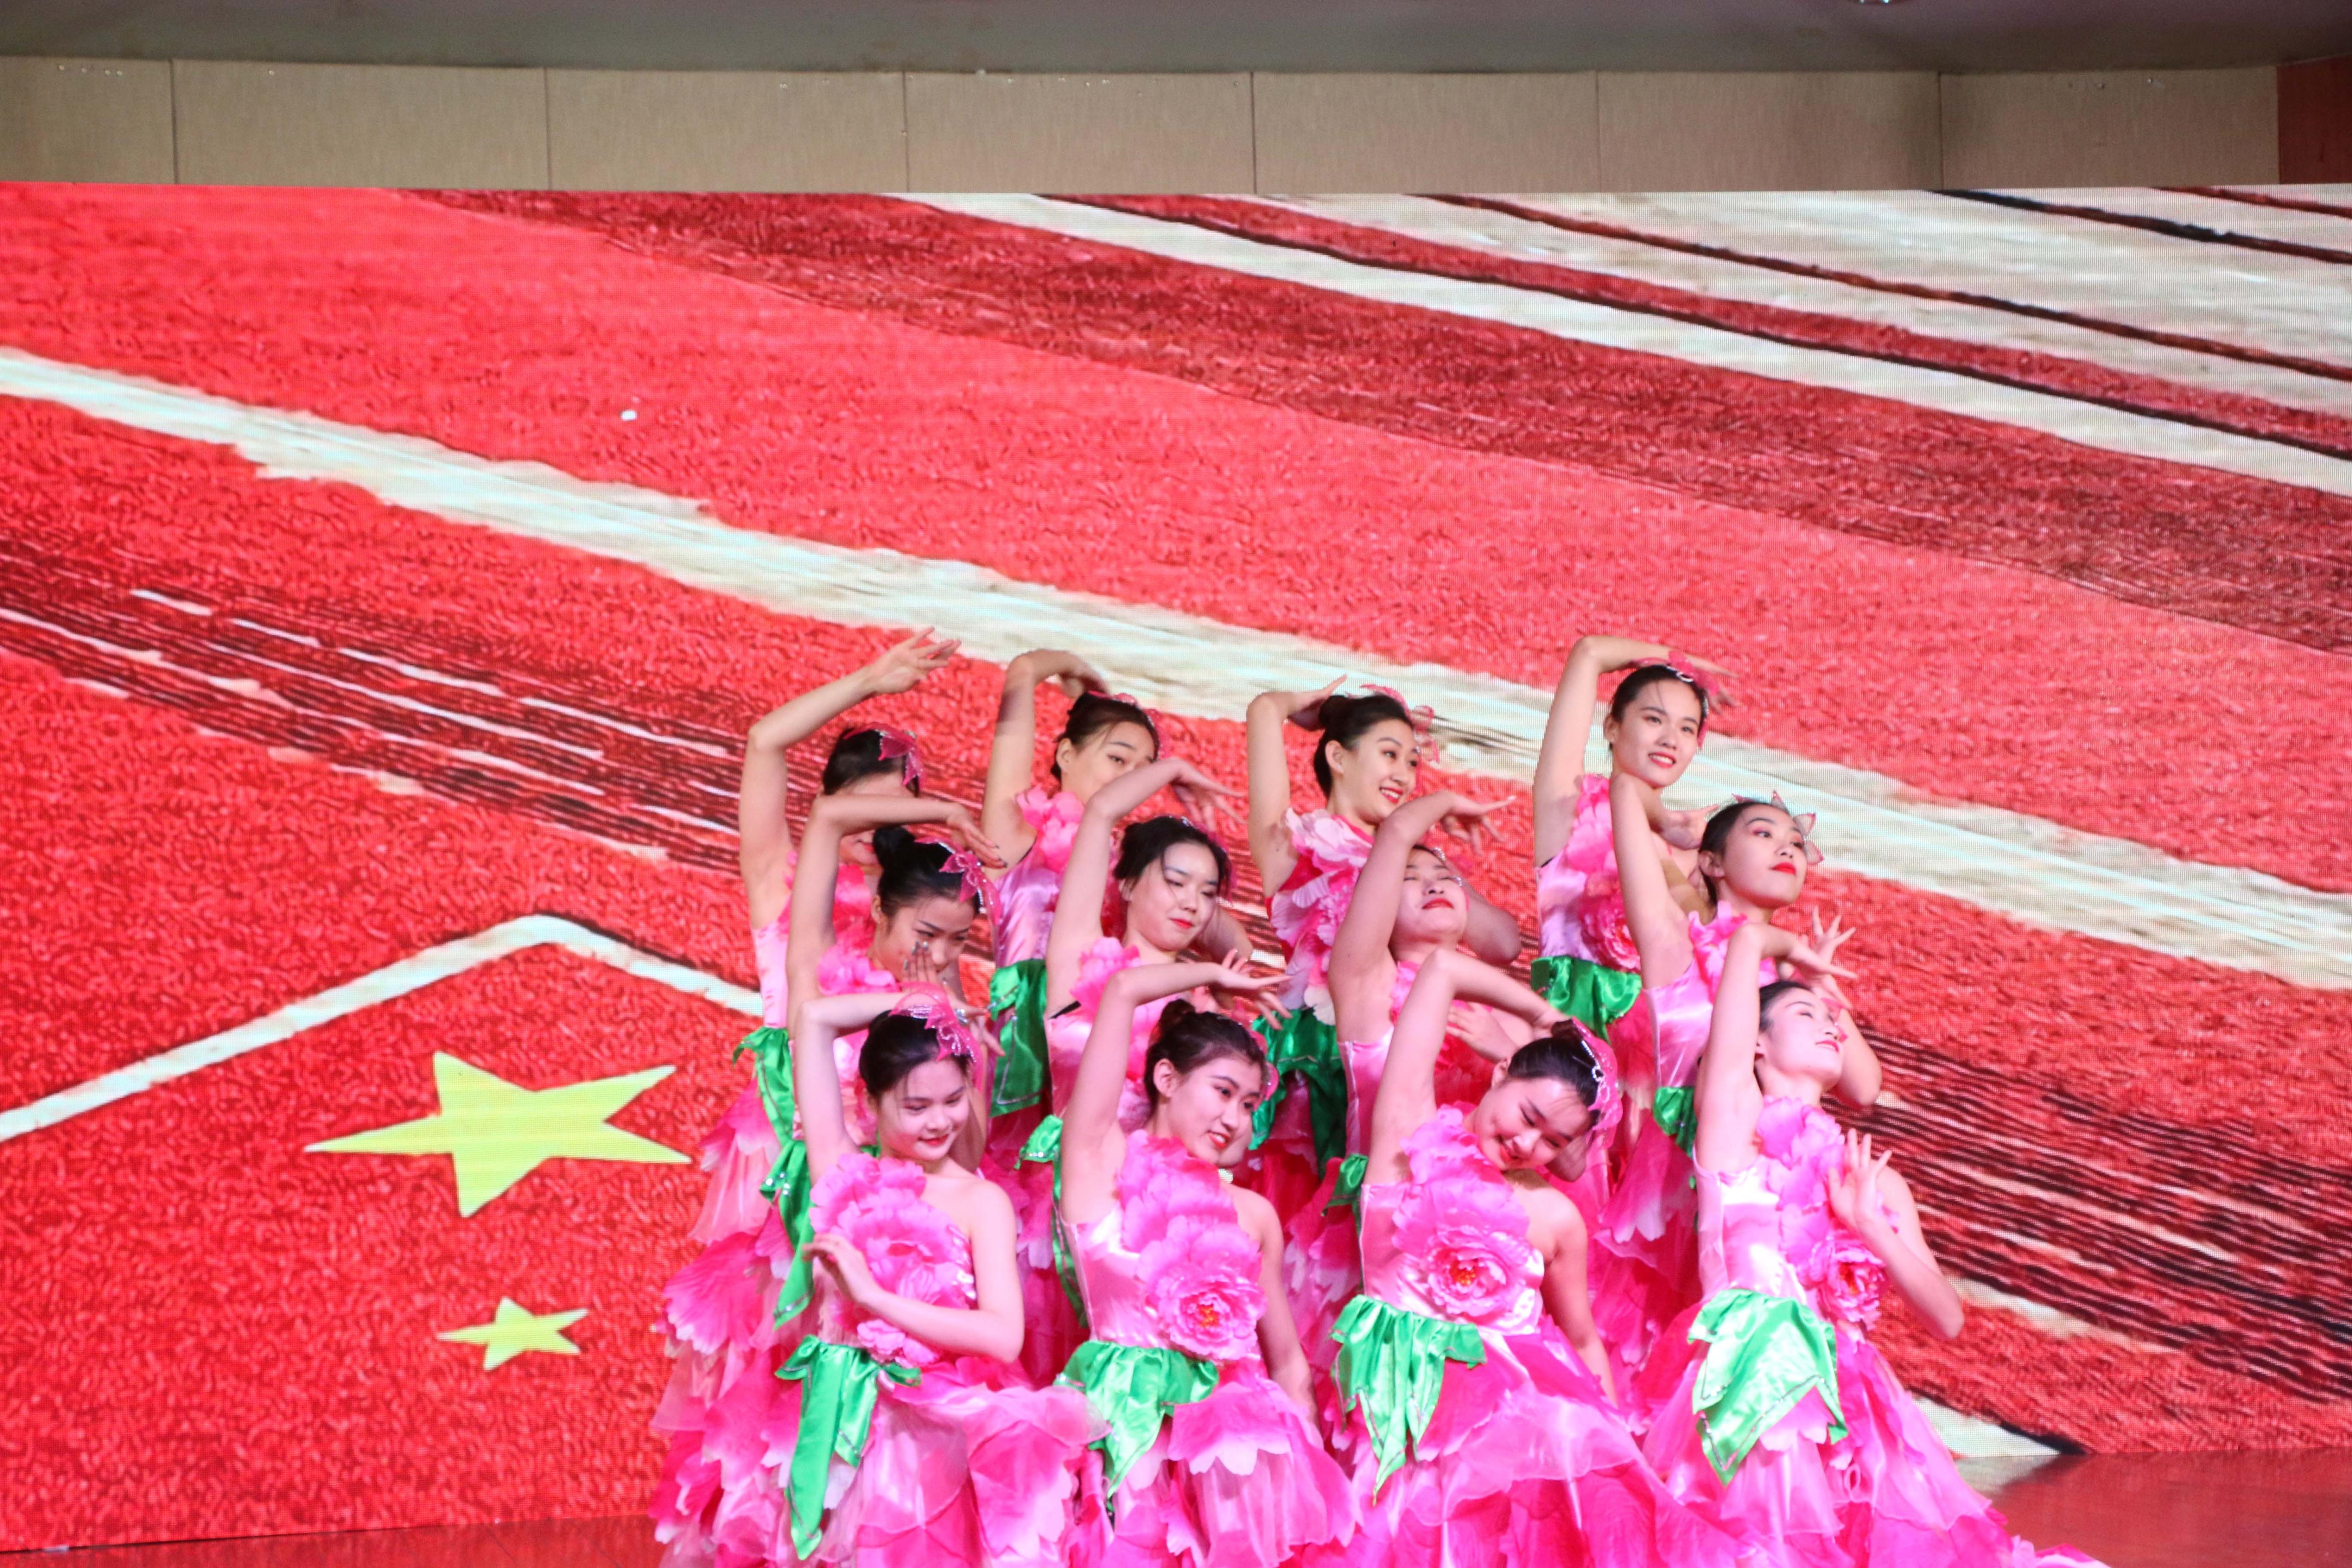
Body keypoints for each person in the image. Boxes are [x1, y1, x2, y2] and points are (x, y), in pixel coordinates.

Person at [1644, 925, 2105, 1568]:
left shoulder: (1874, 1177)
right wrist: (1795, 955)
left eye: (1831, 1020)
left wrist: (1869, 1225)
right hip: (1753, 1391)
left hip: (1855, 1406)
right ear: (1754, 1040)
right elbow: (1745, 943)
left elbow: (1946, 1319)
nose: (1828, 1027)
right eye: (1804, 1013)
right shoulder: (1734, 1131)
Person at [651, 637, 956, 1565]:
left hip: (880, 1176)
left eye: (899, 803)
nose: (879, 820)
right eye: (870, 800)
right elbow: (762, 744)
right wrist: (868, 681)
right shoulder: (786, 897)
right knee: (766, 1361)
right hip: (784, 1168)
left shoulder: (910, 928)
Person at [1323, 950, 1743, 1568]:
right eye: (1528, 1116)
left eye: (1553, 1141)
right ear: (1500, 1074)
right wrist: (1543, 1014)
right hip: (1389, 1422)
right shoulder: (1405, 1144)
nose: (1527, 1143)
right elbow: (1440, 970)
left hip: (1506, 1451)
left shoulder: (1554, 1217)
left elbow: (1583, 1338)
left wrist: (1618, 1451)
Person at [749, 987, 1099, 1567]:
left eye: (954, 1099)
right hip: (839, 1428)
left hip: (934, 1440)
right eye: (915, 1107)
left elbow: (1002, 1336)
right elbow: (813, 1017)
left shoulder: (980, 1200)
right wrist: (931, 1004)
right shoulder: (843, 1169)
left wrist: (874, 1299)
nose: (940, 1121)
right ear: (869, 1100)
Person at [1057, 960, 1358, 1568]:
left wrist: (1305, 1467)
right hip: (1123, 1435)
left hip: (1232, 1455)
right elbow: (1121, 990)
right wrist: (1214, 974)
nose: (1234, 1119)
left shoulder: (1252, 1213)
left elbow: (1286, 1360)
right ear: (1165, 1077)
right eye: (1222, 1092)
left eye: (1248, 1104)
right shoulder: (1098, 1167)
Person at [1599, 778, 1879, 1421]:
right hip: (1673, 1193)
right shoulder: (1673, 943)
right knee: (1655, 1377)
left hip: (1764, 1209)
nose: (1787, 848)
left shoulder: (1791, 986)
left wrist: (1817, 986)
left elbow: (1864, 1088)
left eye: (1796, 843)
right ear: (1712, 861)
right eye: (1763, 833)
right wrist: (1671, 825)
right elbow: (1623, 792)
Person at [1244, 682, 1518, 1216]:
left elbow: (1503, 943)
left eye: (1412, 761)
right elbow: (1263, 709)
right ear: (1337, 757)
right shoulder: (1295, 847)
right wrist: (1296, 707)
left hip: (1400, 1057)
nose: (1404, 775)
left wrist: (1436, 868)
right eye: (1389, 754)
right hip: (1316, 1067)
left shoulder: (1415, 860)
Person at [1011, 754, 1238, 1382]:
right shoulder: (1078, 961)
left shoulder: (1205, 1010)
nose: (1192, 903)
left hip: (1145, 1231)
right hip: (1057, 1205)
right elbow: (1101, 812)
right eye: (1176, 881)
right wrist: (1175, 765)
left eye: (1208, 893)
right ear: (1129, 883)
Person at [979, 652, 1162, 1159]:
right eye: (1118, 759)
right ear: (1065, 753)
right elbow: (1021, 671)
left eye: (1145, 770)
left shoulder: (1132, 864)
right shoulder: (1017, 834)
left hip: (1091, 1048)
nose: (1130, 778)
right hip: (1017, 1044)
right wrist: (1075, 667)